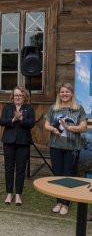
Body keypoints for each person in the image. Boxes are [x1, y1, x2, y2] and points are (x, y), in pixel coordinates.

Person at [44, 82, 87, 215]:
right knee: (57, 175)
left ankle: (66, 204)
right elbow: (46, 125)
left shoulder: (78, 109)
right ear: (59, 94)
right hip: (55, 146)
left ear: (72, 93)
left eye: (67, 92)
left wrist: (69, 127)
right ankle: (59, 202)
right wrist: (54, 129)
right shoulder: (54, 108)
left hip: (72, 148)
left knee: (68, 175)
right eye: (62, 92)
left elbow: (83, 127)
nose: (64, 94)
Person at [0, 86, 35, 206]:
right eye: (16, 95)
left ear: (24, 97)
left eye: (20, 95)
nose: (18, 97)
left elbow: (31, 124)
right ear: (12, 97)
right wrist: (13, 119)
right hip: (9, 142)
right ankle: (9, 193)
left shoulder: (29, 108)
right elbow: (1, 121)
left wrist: (22, 118)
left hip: (23, 143)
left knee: (20, 170)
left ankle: (18, 194)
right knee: (9, 168)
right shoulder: (8, 107)